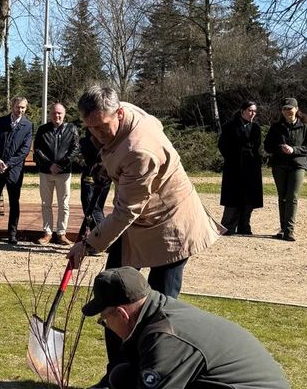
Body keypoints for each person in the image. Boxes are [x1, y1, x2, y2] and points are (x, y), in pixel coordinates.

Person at [67, 85, 224, 388]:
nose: (97, 134)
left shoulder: (140, 150)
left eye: (102, 127)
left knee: (155, 309)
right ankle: (117, 374)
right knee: (112, 294)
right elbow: (121, 150)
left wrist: (87, 245)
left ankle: (150, 375)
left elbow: (125, 213)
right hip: (139, 223)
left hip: (171, 226)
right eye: (90, 128)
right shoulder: (123, 116)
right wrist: (106, 164)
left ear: (119, 113)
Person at [82, 267, 290, 389]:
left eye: (105, 320)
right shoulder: (160, 309)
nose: (107, 326)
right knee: (123, 376)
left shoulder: (165, 339)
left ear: (121, 314)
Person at [0, 96, 33, 245]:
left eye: (23, 107)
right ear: (12, 106)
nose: (20, 110)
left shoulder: (28, 125)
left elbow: (24, 150)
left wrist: (8, 164)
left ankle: (12, 234)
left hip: (14, 171)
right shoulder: (0, 122)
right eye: (18, 107)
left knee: (14, 203)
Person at [263, 98, 307, 242]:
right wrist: (280, 148)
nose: (287, 111)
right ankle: (282, 228)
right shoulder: (276, 127)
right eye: (285, 108)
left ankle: (289, 230)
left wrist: (294, 150)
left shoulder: (305, 126)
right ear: (282, 111)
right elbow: (267, 146)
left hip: (297, 165)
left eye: (290, 108)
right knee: (282, 197)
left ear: (296, 109)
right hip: (279, 165)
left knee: (292, 196)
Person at [33, 102, 79, 245]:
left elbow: (75, 149)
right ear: (50, 114)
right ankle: (47, 233)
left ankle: (61, 233)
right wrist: (49, 165)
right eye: (54, 113)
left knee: (63, 204)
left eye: (59, 113)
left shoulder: (72, 129)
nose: (56, 115)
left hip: (64, 173)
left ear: (64, 114)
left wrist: (61, 164)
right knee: (46, 203)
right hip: (46, 172)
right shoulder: (42, 130)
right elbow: (37, 150)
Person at [218, 101, 263, 235]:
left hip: (251, 167)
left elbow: (257, 147)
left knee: (249, 197)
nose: (252, 113)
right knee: (232, 198)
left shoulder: (256, 128)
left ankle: (244, 226)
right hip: (234, 167)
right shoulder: (229, 126)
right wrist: (232, 159)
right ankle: (228, 226)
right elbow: (222, 145)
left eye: (254, 111)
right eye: (250, 110)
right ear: (242, 110)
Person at [79, 129, 111, 237]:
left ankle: (102, 237)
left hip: (94, 173)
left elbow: (89, 154)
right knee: (97, 208)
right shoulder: (110, 135)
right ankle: (90, 237)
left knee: (92, 208)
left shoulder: (92, 136)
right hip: (106, 173)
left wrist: (83, 143)